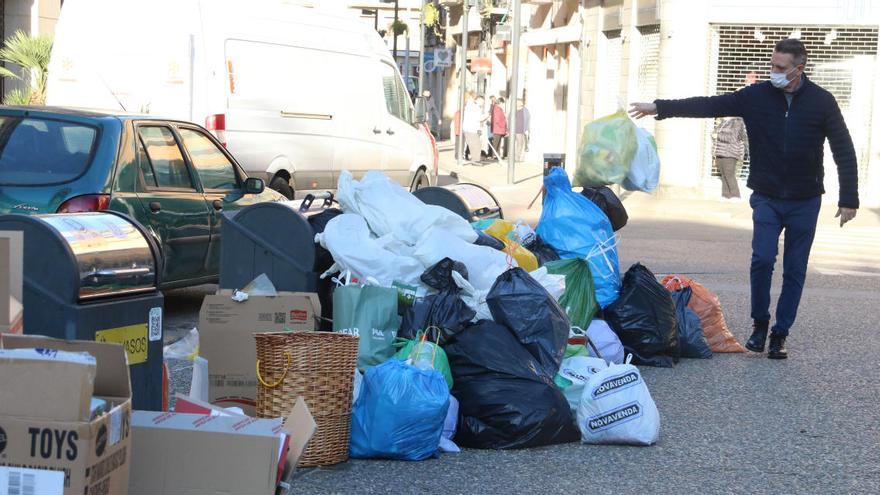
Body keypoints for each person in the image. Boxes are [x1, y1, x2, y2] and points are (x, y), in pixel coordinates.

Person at [629, 38, 859, 360]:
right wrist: (660, 107)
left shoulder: (822, 101)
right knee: (762, 259)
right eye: (771, 65)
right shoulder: (757, 96)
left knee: (795, 268)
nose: (773, 72)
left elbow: (843, 149)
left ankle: (780, 334)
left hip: (805, 200)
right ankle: (760, 324)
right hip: (766, 195)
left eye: (780, 67)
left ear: (799, 69)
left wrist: (849, 197)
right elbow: (710, 105)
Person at [713, 116, 747, 201]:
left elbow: (733, 137)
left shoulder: (737, 122)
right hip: (720, 152)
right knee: (724, 175)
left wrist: (718, 135)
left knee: (729, 174)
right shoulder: (723, 122)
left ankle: (735, 196)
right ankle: (725, 195)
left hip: (730, 153)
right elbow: (714, 134)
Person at [462, 93, 485, 163]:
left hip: (471, 129)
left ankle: (476, 159)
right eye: (482, 101)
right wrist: (487, 115)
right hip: (471, 129)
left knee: (476, 145)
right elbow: (479, 119)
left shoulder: (474, 106)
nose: (483, 103)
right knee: (475, 145)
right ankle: (475, 160)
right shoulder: (474, 107)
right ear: (478, 100)